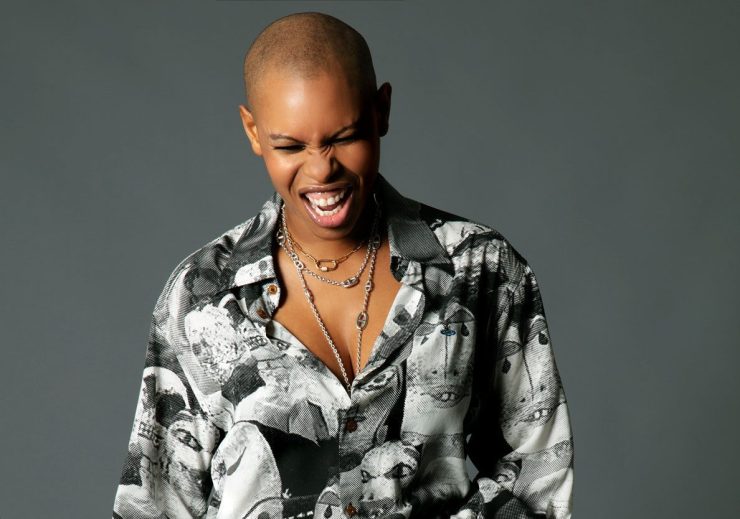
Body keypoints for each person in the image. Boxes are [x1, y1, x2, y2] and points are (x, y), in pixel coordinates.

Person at [112, 11, 574, 519]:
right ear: (253, 131)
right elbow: (155, 503)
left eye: (343, 137)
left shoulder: (479, 267)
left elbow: (539, 474)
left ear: (381, 112)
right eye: (290, 145)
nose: (321, 169)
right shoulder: (202, 296)